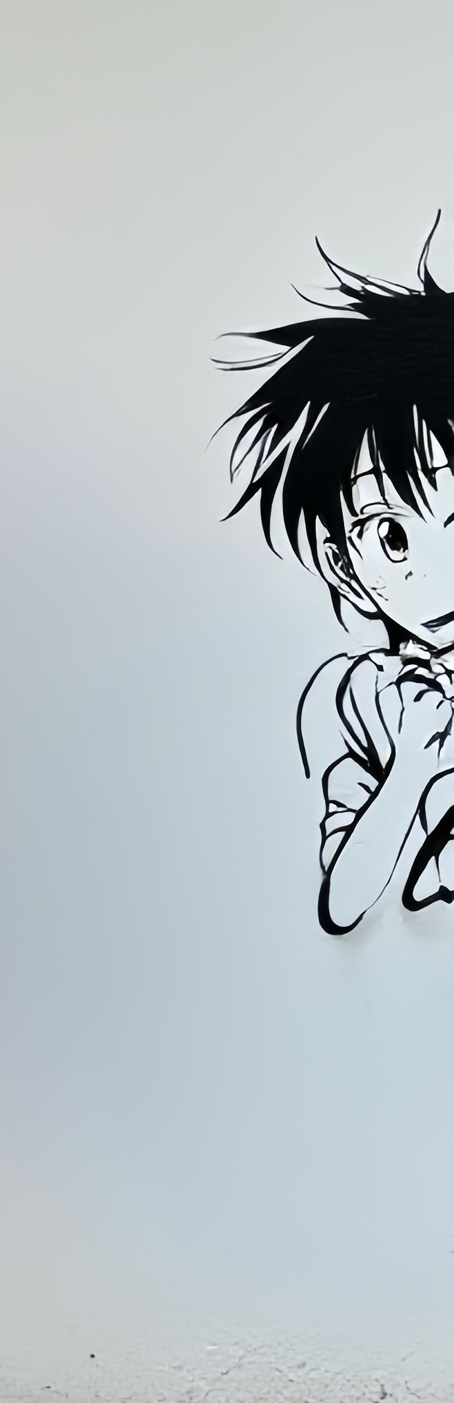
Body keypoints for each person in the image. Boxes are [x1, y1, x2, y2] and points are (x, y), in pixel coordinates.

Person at [223, 238, 454, 934]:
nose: (440, 573)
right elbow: (345, 900)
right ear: (344, 566)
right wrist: (411, 765)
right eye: (392, 537)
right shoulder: (358, 698)